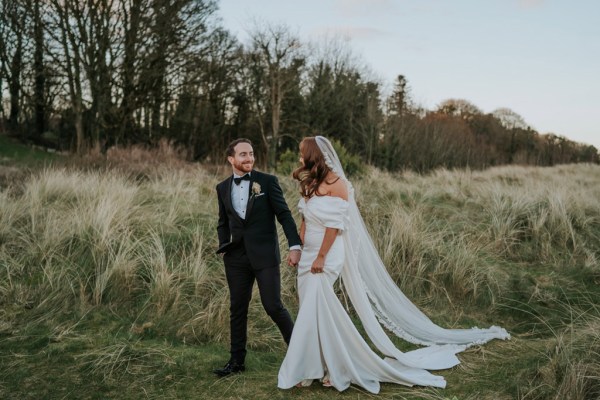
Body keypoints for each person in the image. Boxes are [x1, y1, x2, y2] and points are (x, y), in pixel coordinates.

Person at [278, 136, 510, 393]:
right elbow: (305, 219)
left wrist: (321, 256)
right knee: (313, 309)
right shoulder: (311, 181)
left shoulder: (337, 184)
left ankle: (334, 366)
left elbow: (334, 226)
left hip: (328, 253)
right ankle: (318, 365)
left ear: (313, 155)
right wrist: (299, 246)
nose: (299, 158)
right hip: (309, 252)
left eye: (302, 154)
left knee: (317, 307)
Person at [214, 138, 302, 377]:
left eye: (251, 153)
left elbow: (284, 215)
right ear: (231, 159)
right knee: (237, 308)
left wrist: (295, 246)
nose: (249, 158)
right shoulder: (222, 188)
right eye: (243, 154)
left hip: (264, 255)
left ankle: (301, 356)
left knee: (273, 306)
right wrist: (224, 245)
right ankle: (236, 362)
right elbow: (223, 221)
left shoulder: (267, 182)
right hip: (236, 258)